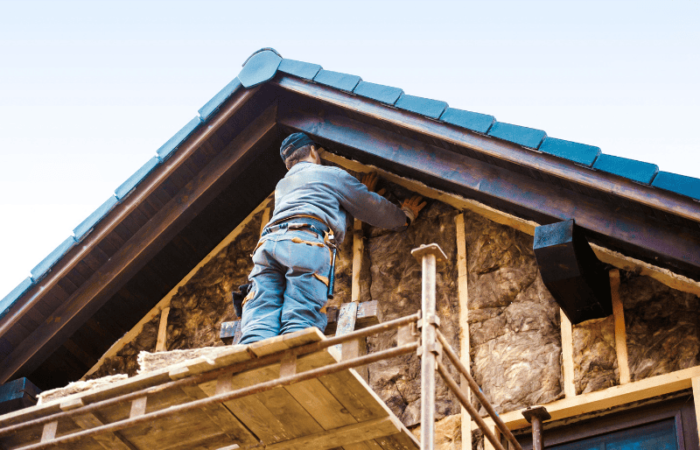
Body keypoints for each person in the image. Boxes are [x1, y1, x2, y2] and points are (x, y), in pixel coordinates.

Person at [238, 132, 426, 344]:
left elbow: (318, 205)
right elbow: (369, 206)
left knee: (260, 316)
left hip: (267, 246)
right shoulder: (331, 174)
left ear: (289, 164)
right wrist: (404, 217)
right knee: (300, 317)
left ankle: (250, 366)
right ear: (312, 150)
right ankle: (294, 369)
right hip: (304, 244)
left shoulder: (283, 185)